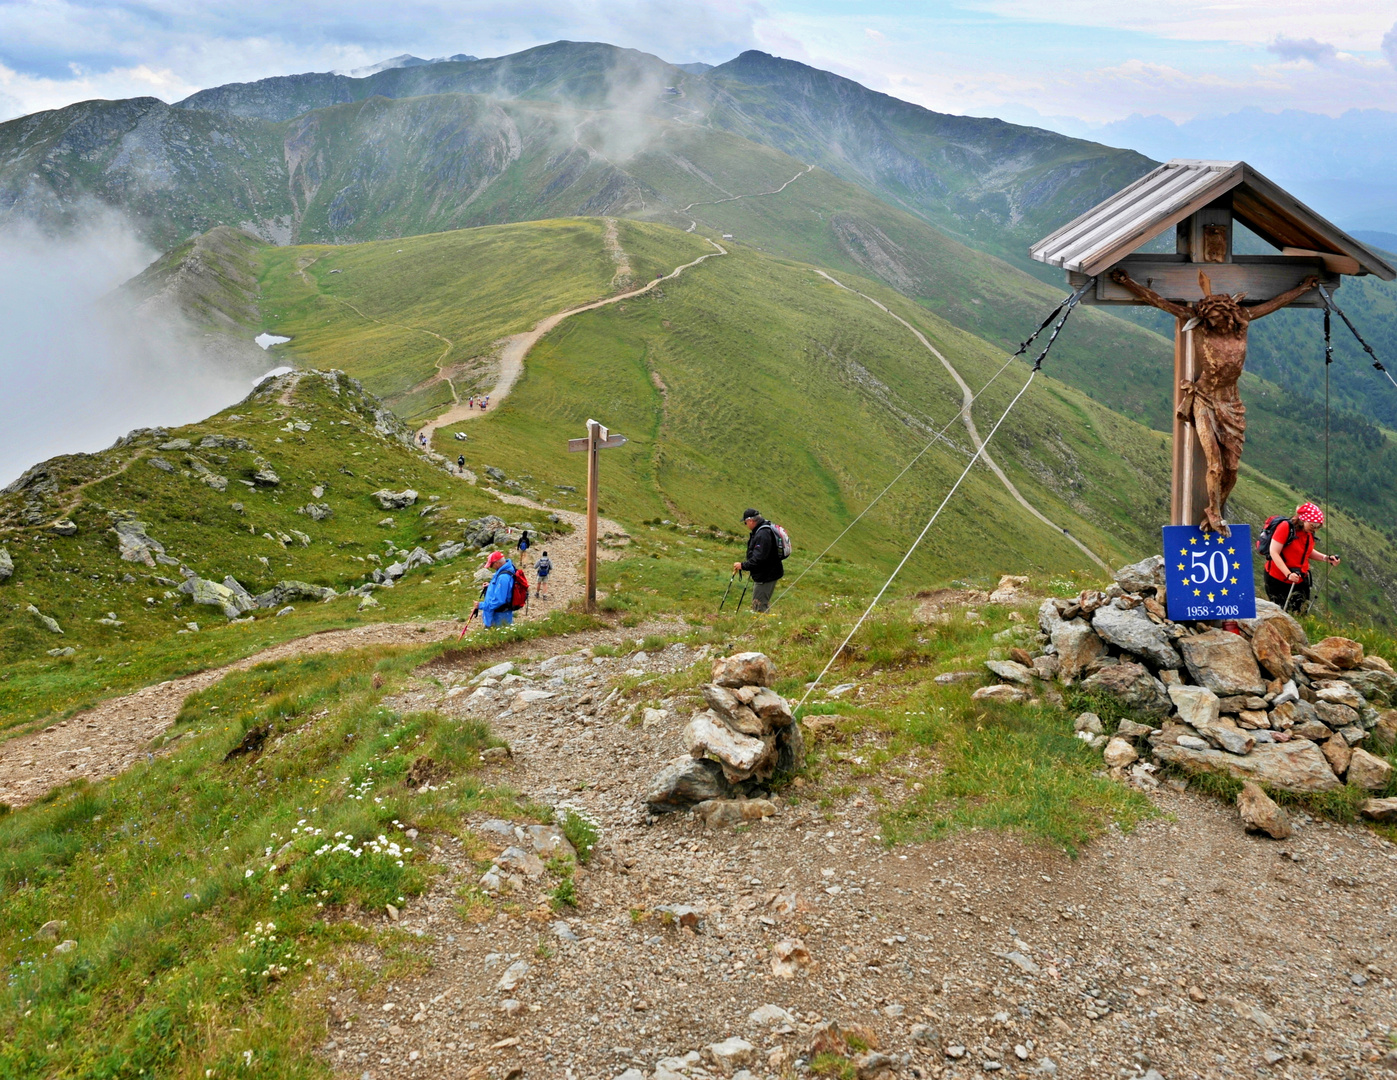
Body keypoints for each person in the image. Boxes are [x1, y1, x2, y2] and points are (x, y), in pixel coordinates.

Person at [1263, 502, 1339, 614]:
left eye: (1318, 527)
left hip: (1300, 578)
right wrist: (1288, 574)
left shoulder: (1308, 532)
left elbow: (1306, 551)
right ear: (1303, 520)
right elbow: (1274, 552)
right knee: (1282, 614)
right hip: (1278, 579)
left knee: (1300, 613)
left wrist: (1325, 558)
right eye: (1313, 526)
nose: (1315, 530)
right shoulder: (1285, 527)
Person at [731, 507, 783, 613]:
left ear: (750, 520)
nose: (746, 525)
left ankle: (760, 626)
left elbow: (759, 558)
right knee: (761, 602)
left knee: (759, 605)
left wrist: (743, 565)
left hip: (765, 575)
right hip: (767, 573)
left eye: (745, 522)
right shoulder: (763, 529)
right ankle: (762, 624)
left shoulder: (763, 534)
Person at [475, 551, 518, 627]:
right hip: (499, 615)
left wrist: (481, 605)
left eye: (491, 565)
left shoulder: (503, 577)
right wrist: (490, 585)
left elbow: (499, 600)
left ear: (497, 563)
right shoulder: (503, 571)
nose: (491, 567)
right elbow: (502, 588)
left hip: (499, 617)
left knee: (497, 637)